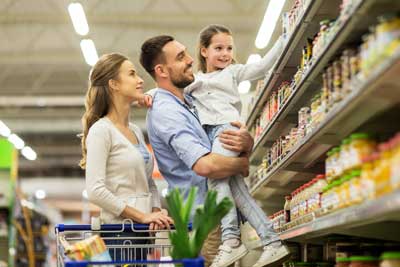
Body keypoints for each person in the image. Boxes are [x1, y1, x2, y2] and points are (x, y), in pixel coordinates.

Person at [142, 24, 290, 267]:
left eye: (229, 48)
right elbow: (163, 89)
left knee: (217, 182)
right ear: (205, 51)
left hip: (224, 132)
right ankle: (272, 241)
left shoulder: (232, 73)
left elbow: (262, 66)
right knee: (239, 193)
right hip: (208, 170)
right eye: (218, 48)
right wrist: (148, 95)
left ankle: (232, 240)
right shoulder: (193, 87)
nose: (225, 53)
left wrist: (285, 36)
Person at [80, 53, 173, 261]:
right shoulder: (101, 131)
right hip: (118, 234)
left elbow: (148, 182)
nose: (140, 80)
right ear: (113, 84)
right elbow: (95, 190)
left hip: (142, 232)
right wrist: (142, 216)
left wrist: (156, 213)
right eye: (132, 74)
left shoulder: (135, 131)